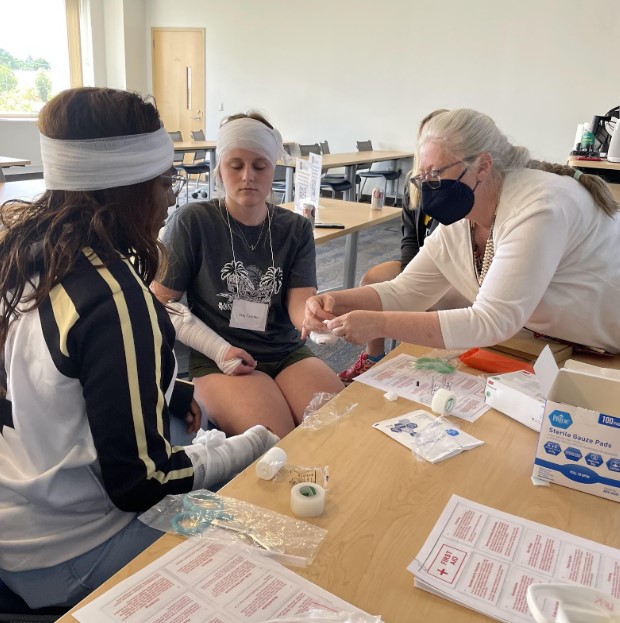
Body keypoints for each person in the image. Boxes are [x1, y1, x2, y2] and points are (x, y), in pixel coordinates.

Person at [0, 87, 278, 610]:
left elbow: (56, 380)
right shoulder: (116, 300)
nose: (170, 197)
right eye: (165, 181)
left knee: (189, 428)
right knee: (259, 529)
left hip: (17, 509)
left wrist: (172, 392)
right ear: (130, 188)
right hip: (68, 552)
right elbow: (141, 485)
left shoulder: (26, 252)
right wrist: (248, 447)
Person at [303, 108, 620, 355]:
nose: (429, 187)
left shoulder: (536, 208)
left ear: (482, 166)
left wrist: (379, 324)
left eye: (436, 174)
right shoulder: (463, 217)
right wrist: (333, 300)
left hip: (604, 346)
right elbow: (405, 292)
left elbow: (491, 320)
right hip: (561, 341)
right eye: (423, 177)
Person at [152, 112, 343, 439]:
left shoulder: (294, 228)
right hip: (221, 358)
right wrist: (218, 350)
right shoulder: (193, 222)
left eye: (260, 166)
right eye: (235, 165)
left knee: (337, 430)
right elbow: (160, 304)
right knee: (277, 443)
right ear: (219, 170)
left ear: (274, 169)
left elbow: (299, 305)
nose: (247, 176)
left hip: (285, 352)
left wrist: (314, 321)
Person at [338, 109, 468, 383]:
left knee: (431, 299)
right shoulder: (417, 185)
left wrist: (415, 283)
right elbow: (409, 239)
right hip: (419, 261)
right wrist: (410, 273)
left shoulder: (455, 192)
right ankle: (374, 357)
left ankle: (420, 365)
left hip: (453, 273)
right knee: (372, 278)